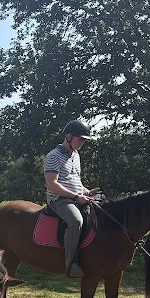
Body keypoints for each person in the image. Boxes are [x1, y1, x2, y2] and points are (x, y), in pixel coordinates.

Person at [44, 119, 99, 279]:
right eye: (80, 139)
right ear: (68, 136)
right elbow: (52, 185)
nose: (82, 143)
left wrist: (86, 192)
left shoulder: (76, 155)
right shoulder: (53, 156)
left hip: (76, 198)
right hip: (59, 200)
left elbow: (76, 181)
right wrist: (76, 196)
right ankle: (70, 264)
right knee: (76, 221)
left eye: (84, 140)